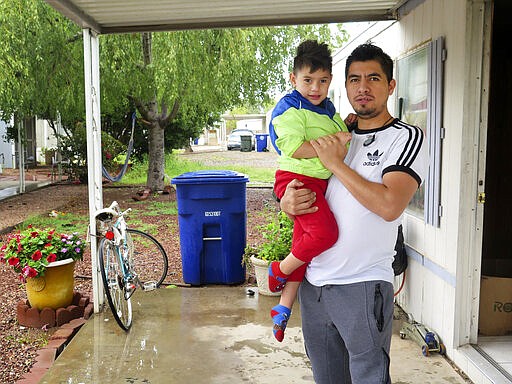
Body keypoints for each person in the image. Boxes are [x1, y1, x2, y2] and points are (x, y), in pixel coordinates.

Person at [279, 43, 428, 383]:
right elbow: (305, 186)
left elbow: (390, 206)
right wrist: (286, 202)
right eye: (354, 79)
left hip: (360, 285)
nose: (362, 87)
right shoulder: (337, 135)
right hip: (315, 285)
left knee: (369, 378)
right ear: (344, 87)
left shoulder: (405, 137)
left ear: (391, 85)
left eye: (373, 78)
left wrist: (334, 163)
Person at [267, 40, 350, 342]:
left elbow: (342, 133)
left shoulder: (327, 109)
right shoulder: (290, 109)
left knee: (304, 247)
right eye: (308, 80)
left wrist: (344, 130)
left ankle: (282, 309)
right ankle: (278, 269)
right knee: (325, 235)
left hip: (316, 182)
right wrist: (331, 146)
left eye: (323, 81)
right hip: (297, 180)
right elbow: (293, 147)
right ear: (293, 79)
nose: (316, 88)